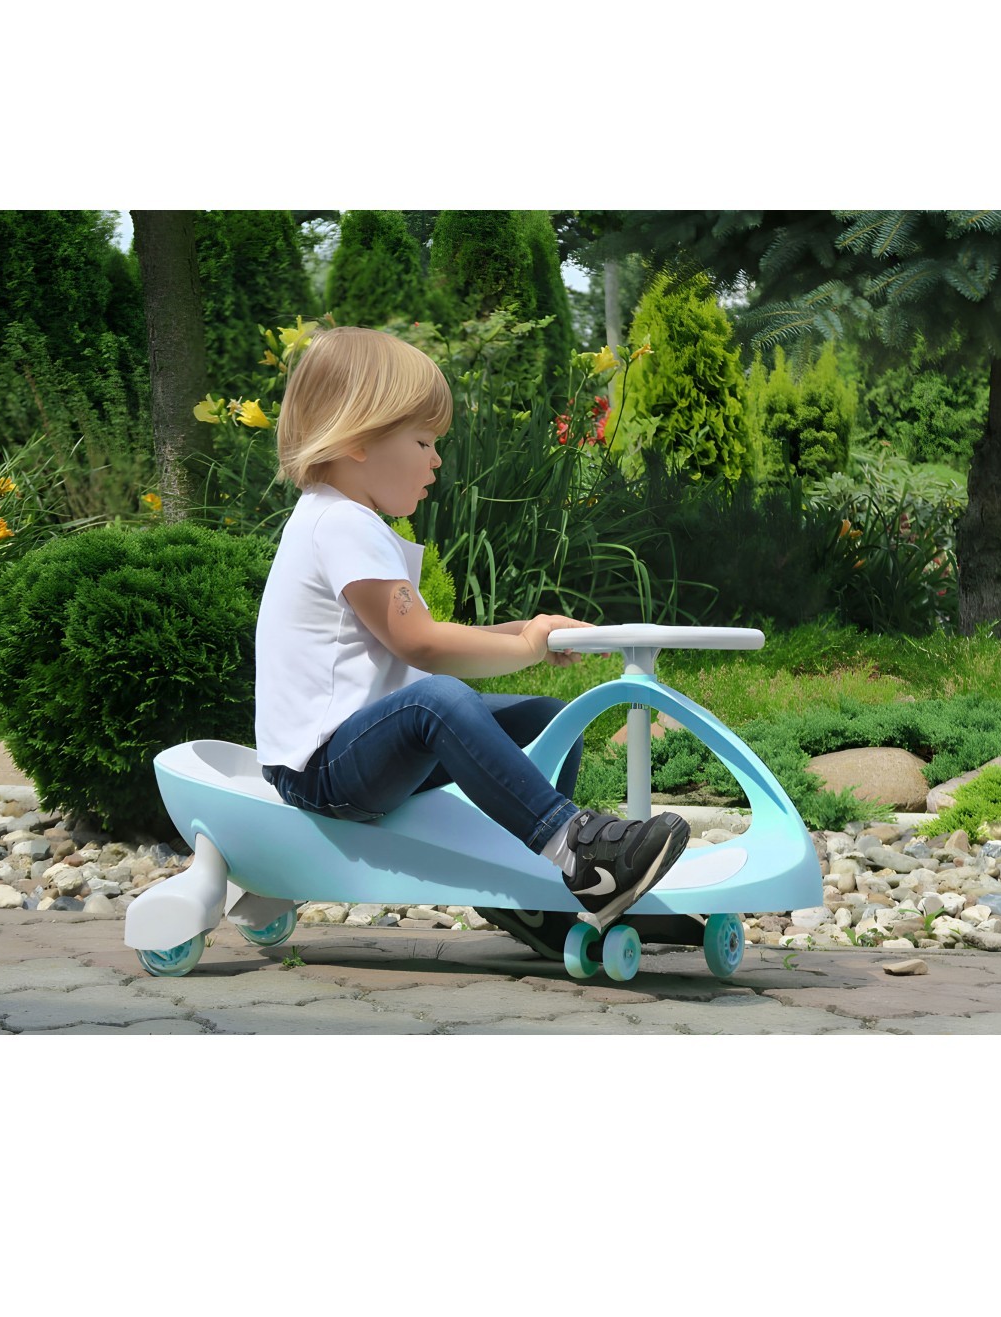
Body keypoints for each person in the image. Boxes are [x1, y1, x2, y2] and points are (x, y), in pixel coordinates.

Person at [255, 325, 689, 956]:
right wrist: (526, 649)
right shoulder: (340, 524)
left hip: (359, 749)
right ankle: (577, 851)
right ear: (354, 440)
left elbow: (419, 637)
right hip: (321, 768)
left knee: (547, 719)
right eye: (423, 441)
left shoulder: (343, 520)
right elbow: (423, 648)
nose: (436, 460)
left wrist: (527, 631)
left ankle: (537, 881)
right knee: (439, 699)